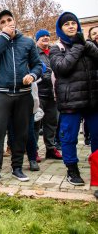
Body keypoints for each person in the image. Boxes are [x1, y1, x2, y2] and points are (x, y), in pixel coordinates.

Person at [0, 9, 43, 186]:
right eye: (2, 22)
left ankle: (17, 167)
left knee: (20, 134)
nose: (6, 23)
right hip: (1, 94)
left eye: (9, 20)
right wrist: (4, 36)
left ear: (15, 21)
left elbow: (38, 65)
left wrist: (32, 75)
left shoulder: (27, 42)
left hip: (23, 94)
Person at [49, 12, 98, 185]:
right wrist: (78, 46)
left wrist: (85, 44)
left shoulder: (88, 45)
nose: (71, 26)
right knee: (68, 137)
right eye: (66, 24)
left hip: (92, 100)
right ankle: (72, 169)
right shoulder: (56, 48)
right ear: (60, 29)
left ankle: (96, 170)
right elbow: (62, 68)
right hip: (70, 101)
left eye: (73, 23)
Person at [34, 29, 62, 160]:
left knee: (52, 122)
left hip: (54, 93)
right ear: (37, 39)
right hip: (39, 93)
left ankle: (50, 149)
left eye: (47, 36)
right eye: (42, 36)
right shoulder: (34, 53)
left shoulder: (54, 51)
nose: (45, 38)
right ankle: (33, 150)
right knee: (36, 123)